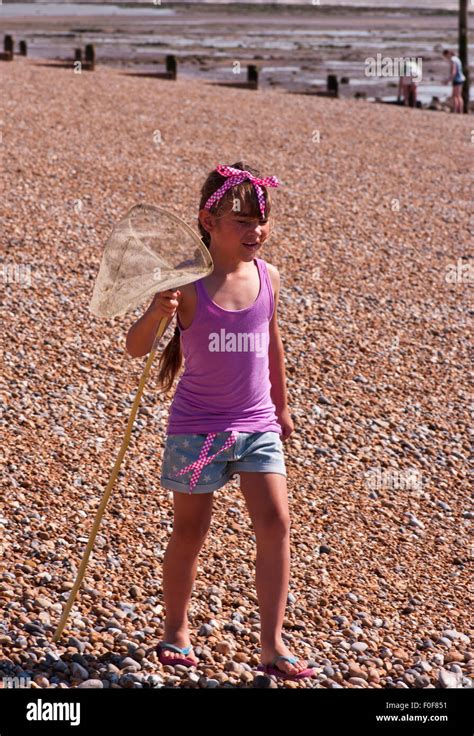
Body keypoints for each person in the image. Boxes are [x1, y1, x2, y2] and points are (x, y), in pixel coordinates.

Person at [126, 161, 316, 681]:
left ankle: (272, 643)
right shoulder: (186, 282)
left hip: (255, 424)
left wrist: (282, 405)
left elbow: (271, 347)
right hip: (198, 429)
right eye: (242, 221)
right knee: (190, 531)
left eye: (262, 220)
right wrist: (156, 313)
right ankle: (175, 630)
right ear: (208, 222)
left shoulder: (268, 276)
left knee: (276, 523)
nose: (255, 231)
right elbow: (136, 348)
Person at [442, 49, 465, 114]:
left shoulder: (453, 60)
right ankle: (460, 111)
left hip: (457, 79)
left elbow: (453, 72)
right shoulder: (457, 59)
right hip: (461, 78)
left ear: (448, 54)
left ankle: (456, 111)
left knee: (455, 96)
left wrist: (447, 80)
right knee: (459, 96)